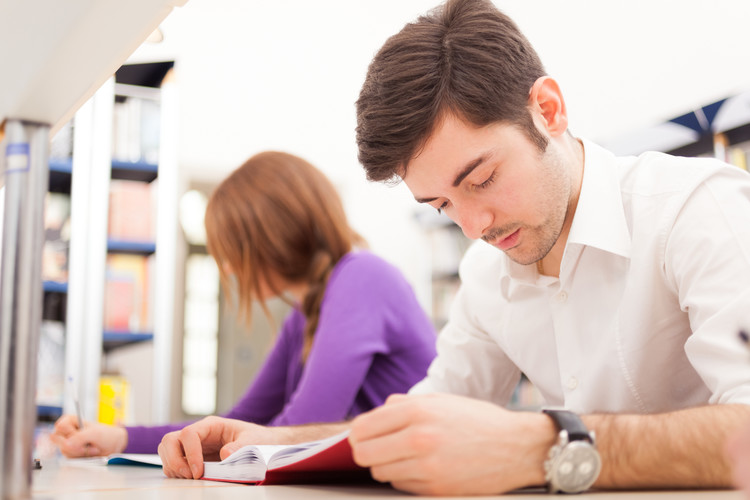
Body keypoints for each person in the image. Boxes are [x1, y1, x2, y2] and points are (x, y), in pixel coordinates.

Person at [157, 0, 750, 495]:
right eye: (440, 205)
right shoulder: (488, 277)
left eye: (482, 179)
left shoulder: (698, 211)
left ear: (547, 110)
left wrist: (546, 444)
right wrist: (268, 440)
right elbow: (425, 415)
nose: (473, 226)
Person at [50, 150, 437, 458]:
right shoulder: (306, 311)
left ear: (274, 239)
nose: (231, 269)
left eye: (234, 251)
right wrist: (118, 437)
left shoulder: (362, 277)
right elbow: (242, 421)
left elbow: (298, 428)